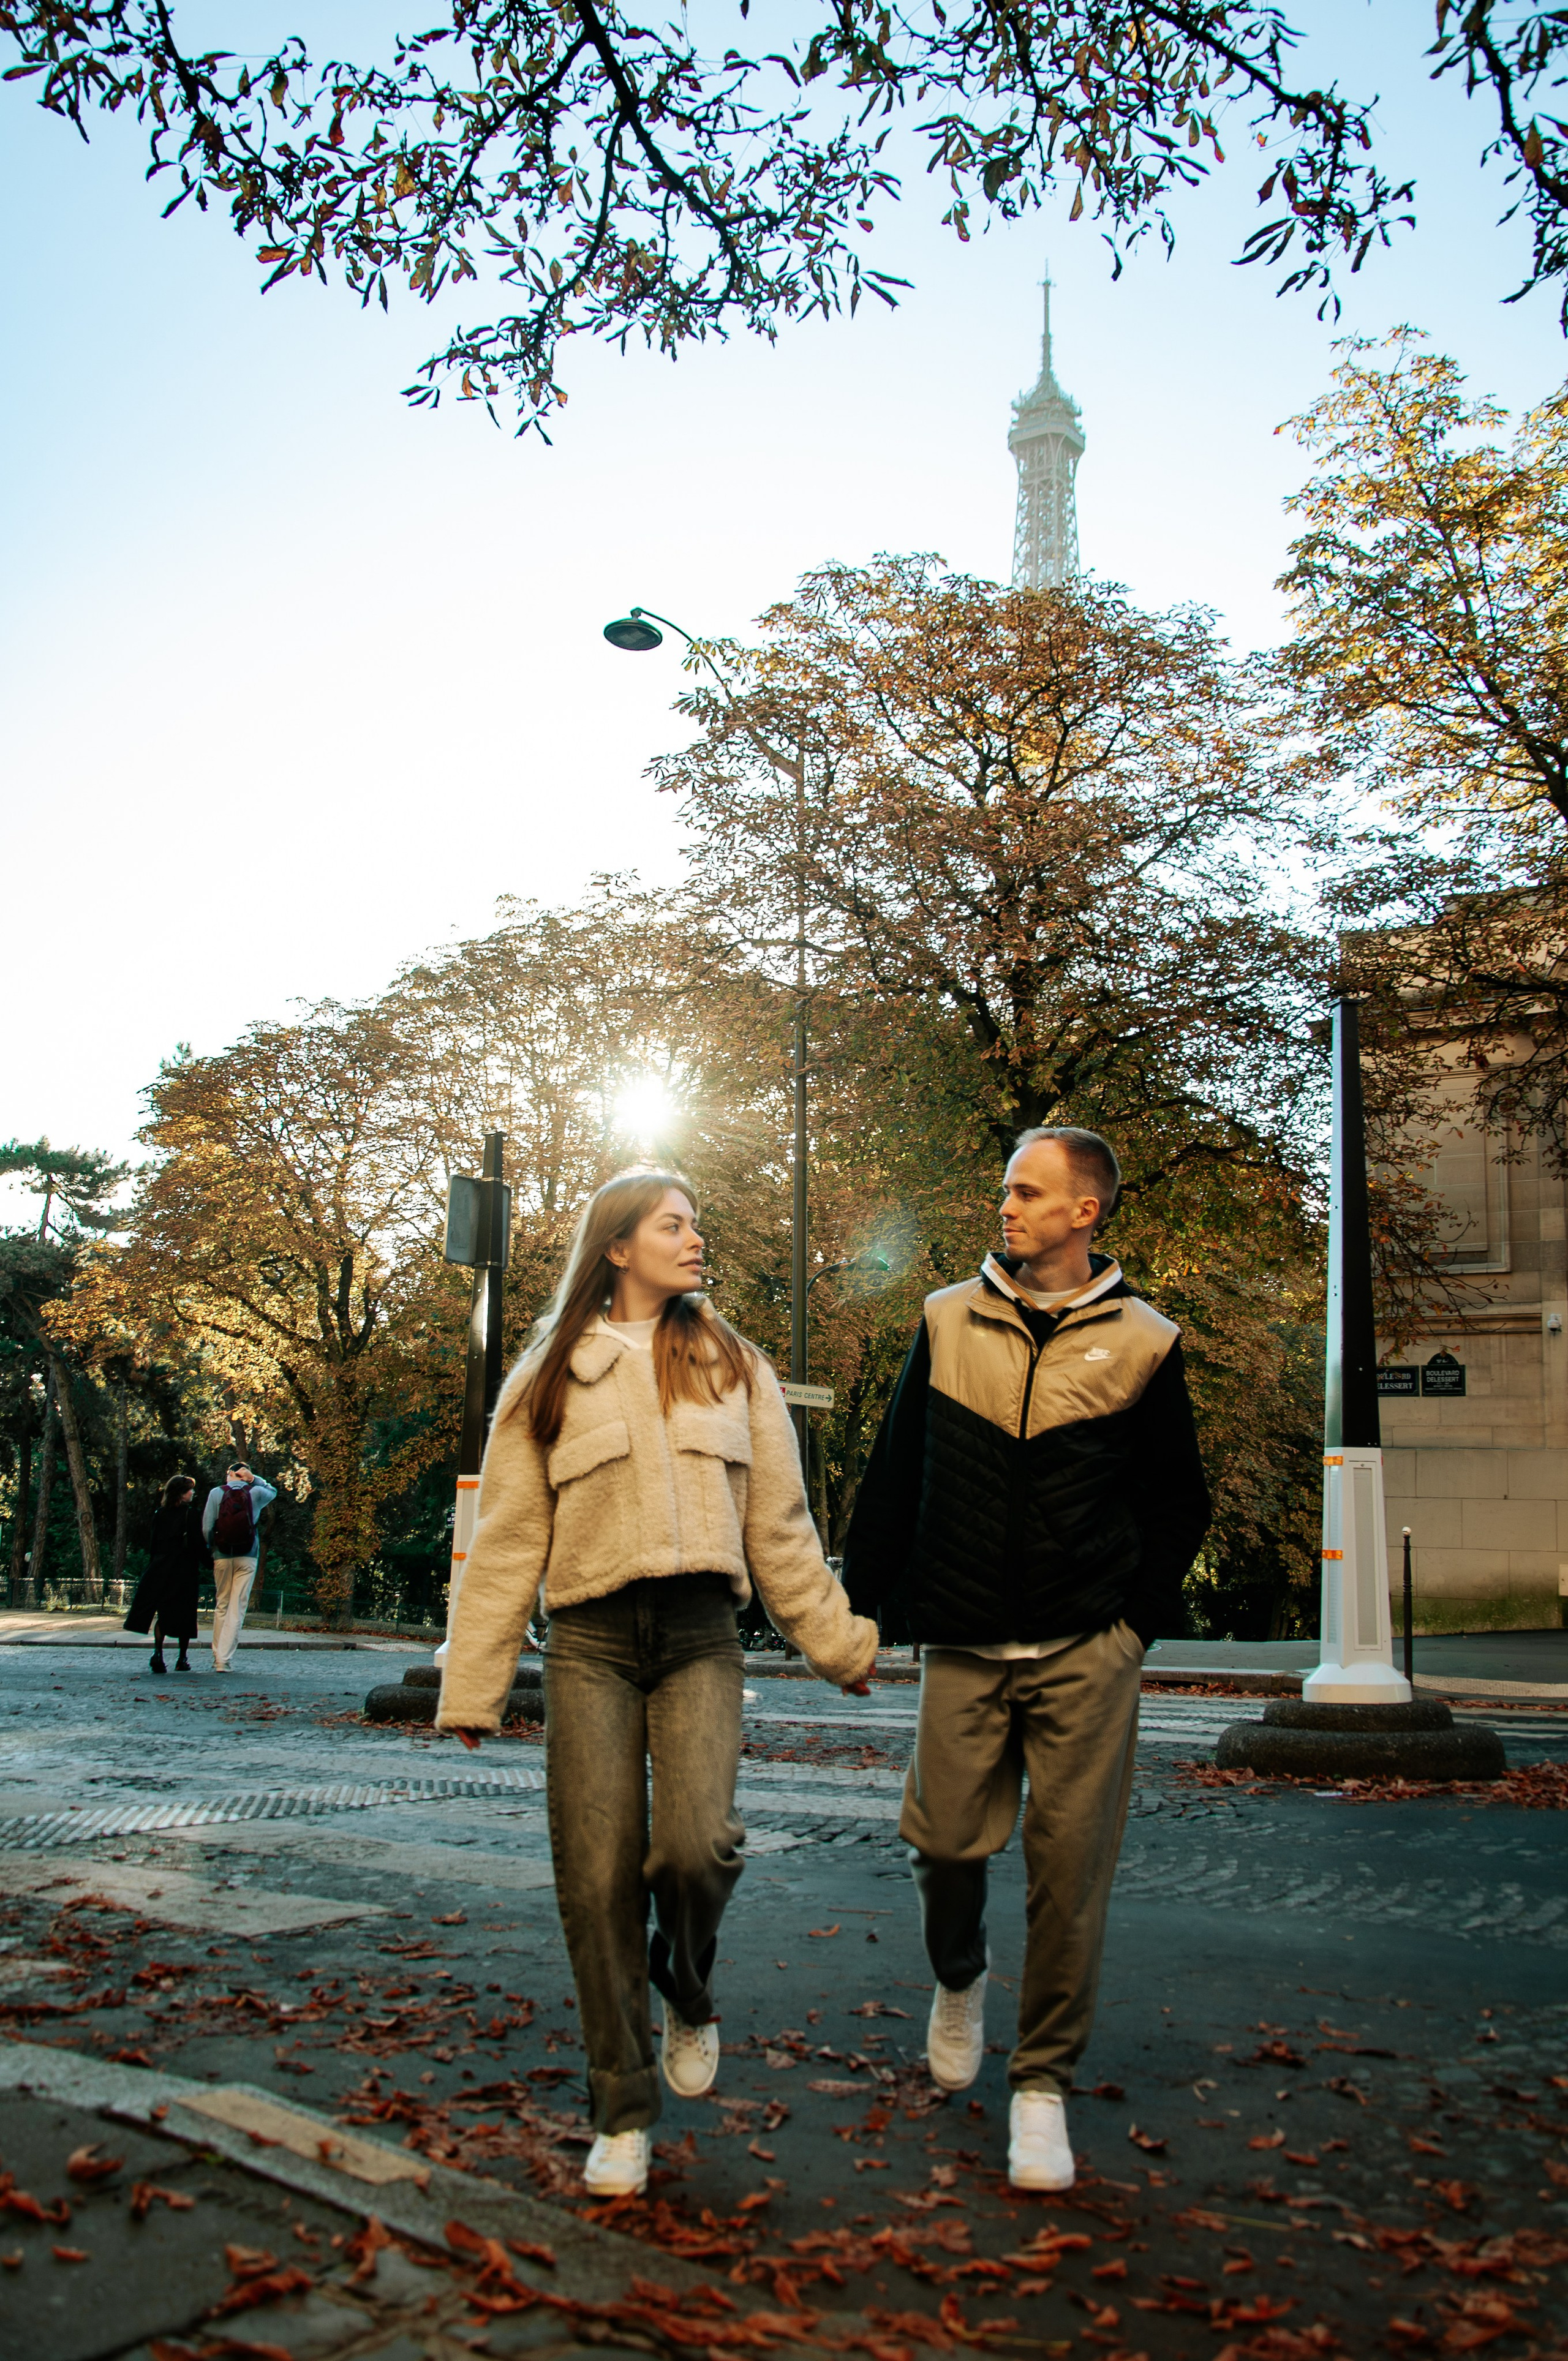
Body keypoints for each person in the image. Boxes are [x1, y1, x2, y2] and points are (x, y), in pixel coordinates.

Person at [437, 1169, 878, 2199]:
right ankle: (622, 2109)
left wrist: (837, 1641)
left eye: (696, 1221)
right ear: (620, 1247)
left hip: (699, 1636)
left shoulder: (735, 1365)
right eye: (674, 1224)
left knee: (695, 1848)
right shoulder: (547, 1376)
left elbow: (780, 1526)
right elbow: (506, 1544)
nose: (694, 1239)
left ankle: (686, 1980)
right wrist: (476, 1682)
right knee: (595, 1883)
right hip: (587, 1641)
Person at [842, 1126, 1211, 2194]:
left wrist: (1132, 1627)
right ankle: (960, 1976)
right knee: (943, 1846)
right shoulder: (946, 1318)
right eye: (1007, 1189)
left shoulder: (1147, 1339)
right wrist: (862, 1610)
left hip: (1084, 1648)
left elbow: (1176, 1501)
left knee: (1069, 1875)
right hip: (961, 1637)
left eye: (1027, 1191)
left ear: (1083, 1211)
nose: (1005, 1207)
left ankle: (1041, 2084)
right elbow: (897, 1470)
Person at [123, 1475, 208, 1673]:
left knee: (163, 1613)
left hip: (162, 1568)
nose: (193, 1493)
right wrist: (211, 1564)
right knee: (185, 1613)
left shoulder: (160, 1513)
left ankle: (158, 1653)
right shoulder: (192, 1515)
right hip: (184, 1570)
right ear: (181, 1493)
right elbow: (197, 1545)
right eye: (190, 1490)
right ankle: (182, 1658)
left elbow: (153, 1544)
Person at [202, 1462, 278, 1673]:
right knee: (237, 1608)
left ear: (229, 1474)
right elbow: (273, 1492)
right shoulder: (255, 1493)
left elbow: (207, 1527)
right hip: (248, 1555)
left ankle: (217, 1654)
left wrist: (212, 1548)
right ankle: (223, 1660)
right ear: (244, 1475)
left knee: (222, 1605)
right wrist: (253, 1479)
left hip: (222, 1555)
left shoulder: (216, 1493)